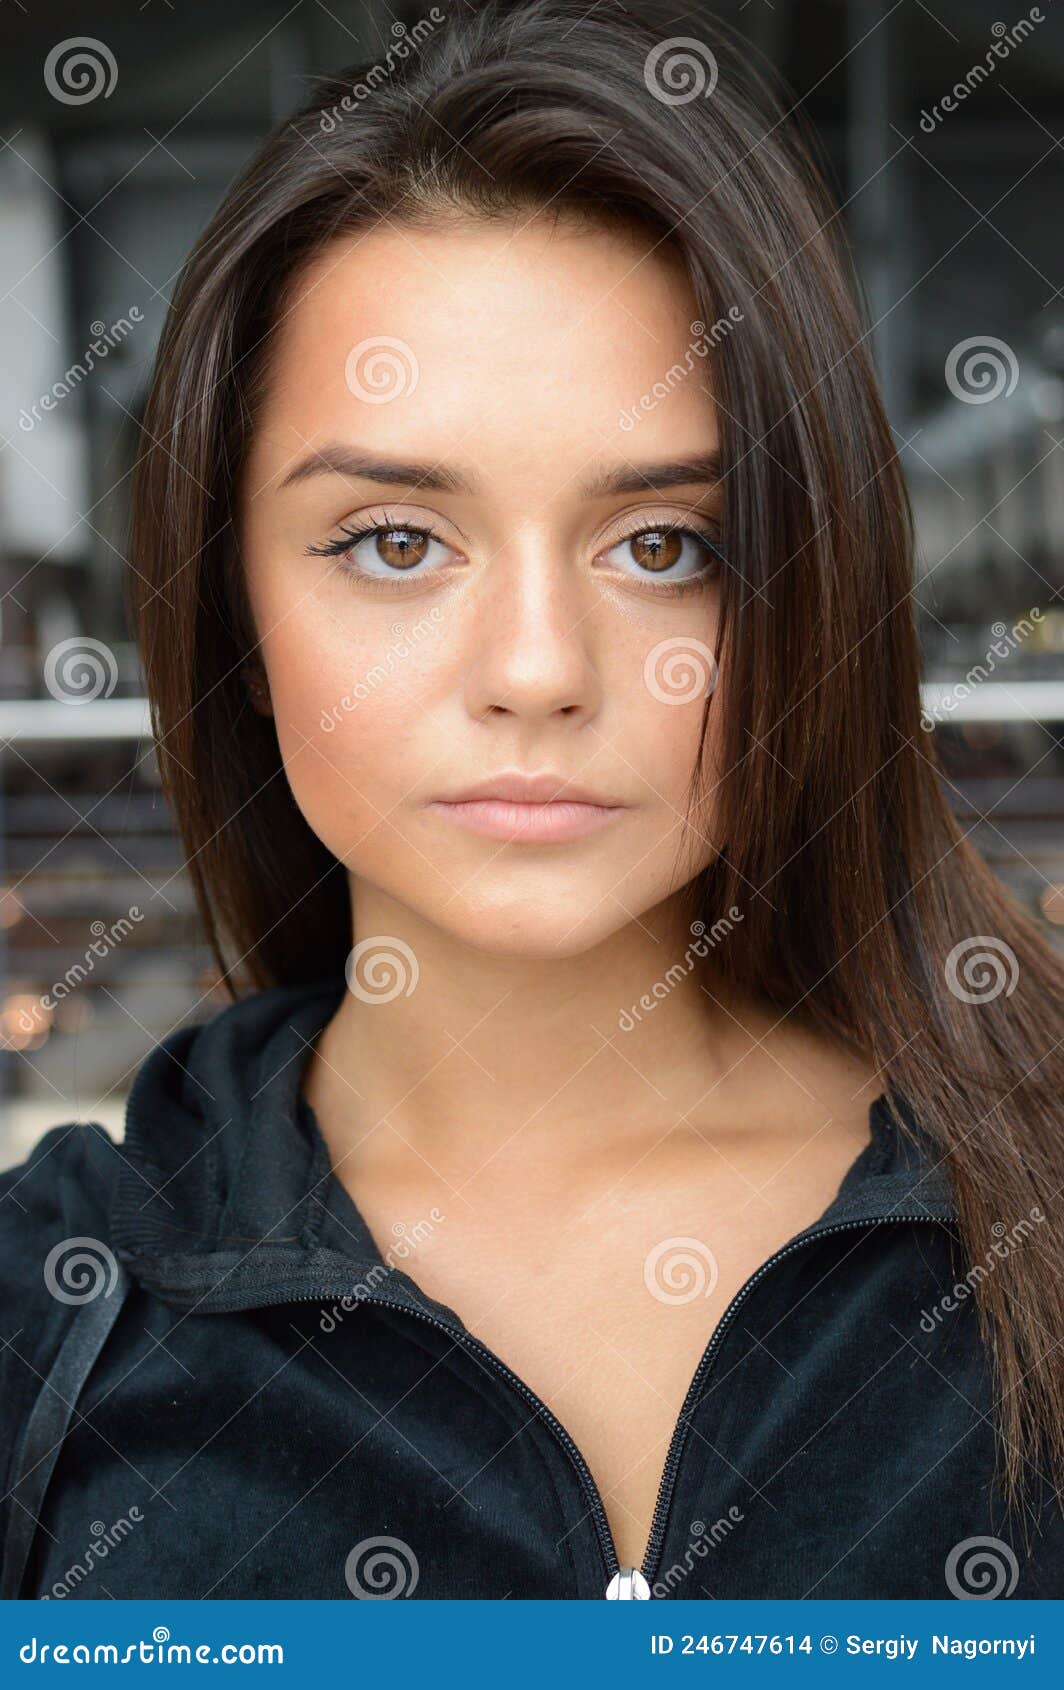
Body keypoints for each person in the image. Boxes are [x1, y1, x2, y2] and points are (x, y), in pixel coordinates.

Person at [3, 0, 1063, 1602]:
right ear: (229, 606)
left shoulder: (1028, 1211)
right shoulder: (50, 1314)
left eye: (665, 546)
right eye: (393, 540)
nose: (537, 668)